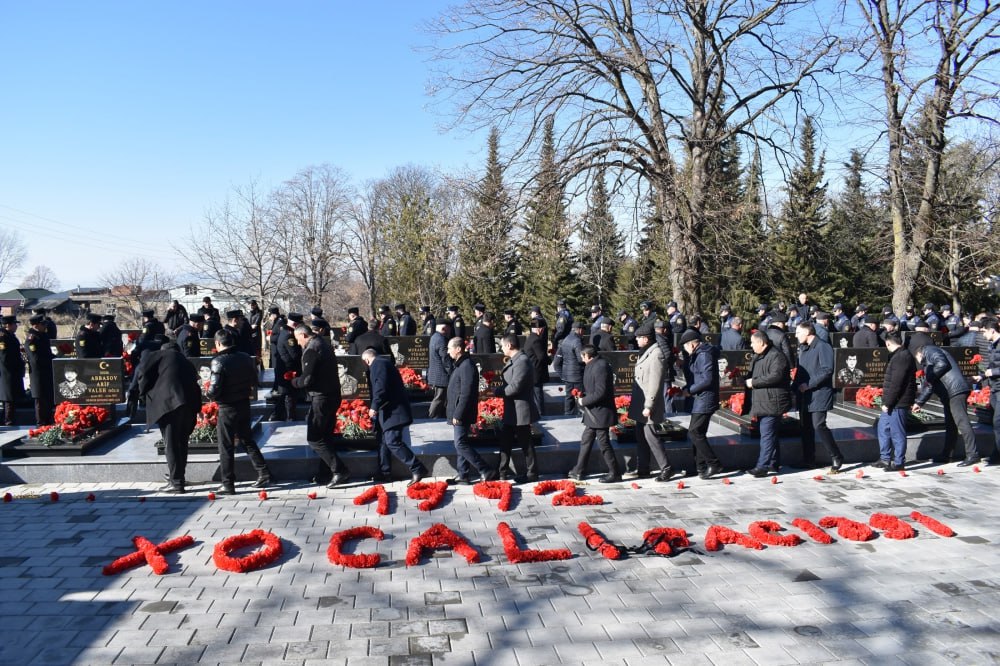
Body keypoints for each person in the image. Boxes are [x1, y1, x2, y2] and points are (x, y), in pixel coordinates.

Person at [129, 338, 200, 493]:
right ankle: (179, 477)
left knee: (171, 444)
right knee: (182, 442)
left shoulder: (158, 355)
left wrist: (139, 393)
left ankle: (176, 483)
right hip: (188, 406)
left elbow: (141, 371)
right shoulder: (186, 361)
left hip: (169, 406)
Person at [206, 329, 271, 494]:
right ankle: (263, 472)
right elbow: (254, 381)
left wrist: (206, 392)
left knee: (226, 445)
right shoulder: (244, 357)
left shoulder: (218, 361)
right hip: (244, 403)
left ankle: (228, 484)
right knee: (247, 440)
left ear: (218, 343)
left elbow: (214, 390)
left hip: (227, 407)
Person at [291, 325, 350, 487]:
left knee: (315, 438)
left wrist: (295, 382)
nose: (297, 343)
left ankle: (339, 470)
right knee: (325, 437)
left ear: (303, 335)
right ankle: (325, 473)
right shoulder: (323, 344)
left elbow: (307, 379)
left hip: (321, 398)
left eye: (298, 339)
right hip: (332, 395)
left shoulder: (312, 349)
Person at [362, 348, 428, 485]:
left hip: (394, 411)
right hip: (388, 411)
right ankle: (385, 473)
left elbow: (381, 388)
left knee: (392, 441)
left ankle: (417, 468)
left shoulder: (378, 364)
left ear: (367, 360)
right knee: (384, 441)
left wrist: (374, 407)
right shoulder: (382, 363)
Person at [913, 342, 978, 465]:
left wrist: (930, 376)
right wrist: (919, 402)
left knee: (962, 422)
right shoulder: (929, 363)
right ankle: (947, 454)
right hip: (950, 394)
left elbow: (943, 363)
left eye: (918, 359)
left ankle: (972, 454)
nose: (919, 363)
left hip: (955, 391)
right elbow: (930, 386)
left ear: (919, 354)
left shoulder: (929, 350)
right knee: (951, 425)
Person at [627, 323, 675, 481]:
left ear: (646, 339)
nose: (637, 340)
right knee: (641, 437)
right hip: (640, 401)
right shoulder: (645, 352)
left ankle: (666, 468)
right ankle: (643, 469)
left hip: (648, 403)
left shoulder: (656, 355)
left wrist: (649, 406)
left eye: (639, 338)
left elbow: (655, 383)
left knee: (651, 436)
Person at [446, 337, 496, 484]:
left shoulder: (467, 365)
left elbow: (466, 393)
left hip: (462, 412)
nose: (448, 352)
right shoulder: (461, 364)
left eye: (450, 348)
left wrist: (458, 413)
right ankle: (463, 474)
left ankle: (485, 469)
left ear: (458, 349)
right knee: (462, 442)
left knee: (460, 443)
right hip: (459, 411)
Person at [568, 345, 621, 483]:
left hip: (601, 412)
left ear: (587, 355)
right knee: (586, 439)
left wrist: (583, 400)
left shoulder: (601, 366)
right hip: (593, 412)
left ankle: (615, 473)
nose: (582, 360)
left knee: (603, 443)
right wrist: (582, 394)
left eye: (582, 357)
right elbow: (591, 387)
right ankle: (579, 470)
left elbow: (601, 392)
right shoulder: (592, 364)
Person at [794, 322, 843, 471]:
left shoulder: (823, 346)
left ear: (808, 333)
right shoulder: (803, 348)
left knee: (818, 425)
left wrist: (809, 384)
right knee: (805, 427)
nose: (795, 335)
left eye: (798, 332)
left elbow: (827, 370)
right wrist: (793, 388)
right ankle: (808, 459)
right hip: (805, 394)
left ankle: (836, 456)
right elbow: (800, 372)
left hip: (819, 393)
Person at [494, 334, 540, 482]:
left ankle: (532, 473)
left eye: (502, 345)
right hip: (512, 409)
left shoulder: (522, 361)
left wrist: (498, 392)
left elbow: (515, 387)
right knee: (505, 441)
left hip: (520, 409)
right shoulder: (516, 360)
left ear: (509, 345)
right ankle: (501, 472)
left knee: (525, 443)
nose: (501, 348)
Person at [745, 331, 791, 477]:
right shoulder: (758, 356)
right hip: (763, 401)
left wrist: (754, 382)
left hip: (772, 402)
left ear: (761, 343)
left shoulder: (777, 356)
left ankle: (762, 466)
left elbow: (776, 376)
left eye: (753, 342)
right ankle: (773, 463)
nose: (751, 345)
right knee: (770, 434)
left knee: (767, 434)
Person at [681, 330, 723, 479]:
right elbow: (694, 374)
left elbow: (706, 379)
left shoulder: (704, 354)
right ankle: (700, 466)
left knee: (694, 432)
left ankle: (714, 463)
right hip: (700, 398)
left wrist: (690, 391)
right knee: (698, 433)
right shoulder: (698, 353)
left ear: (692, 344)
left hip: (706, 398)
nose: (684, 350)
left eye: (685, 346)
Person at [873, 333, 917, 472]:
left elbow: (897, 383)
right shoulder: (899, 355)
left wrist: (888, 402)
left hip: (898, 402)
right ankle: (885, 458)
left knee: (897, 432)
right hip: (893, 401)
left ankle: (899, 462)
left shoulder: (902, 357)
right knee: (883, 427)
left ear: (888, 344)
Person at [973, 319, 1000, 463]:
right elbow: (991, 365)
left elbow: (995, 368)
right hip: (995, 388)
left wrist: (993, 372)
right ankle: (996, 454)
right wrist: (982, 376)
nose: (983, 336)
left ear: (992, 331)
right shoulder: (993, 345)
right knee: (995, 422)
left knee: (998, 422)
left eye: (984, 332)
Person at [271, 312, 303, 421]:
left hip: (286, 368)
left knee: (286, 394)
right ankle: (290, 417)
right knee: (289, 395)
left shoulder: (285, 331)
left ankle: (277, 415)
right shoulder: (289, 335)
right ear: (295, 324)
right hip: (288, 370)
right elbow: (295, 354)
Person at [25, 314, 54, 425]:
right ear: (36, 325)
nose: (45, 326)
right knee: (40, 400)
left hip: (47, 372)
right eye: (43, 324)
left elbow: (47, 353)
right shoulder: (31, 338)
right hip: (38, 373)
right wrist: (49, 360)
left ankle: (48, 421)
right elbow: (35, 358)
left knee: (48, 398)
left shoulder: (43, 336)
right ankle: (41, 422)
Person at [553, 320, 585, 415]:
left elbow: (557, 361)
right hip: (577, 375)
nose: (583, 333)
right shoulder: (577, 341)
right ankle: (581, 414)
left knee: (568, 397)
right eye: (583, 330)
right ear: (579, 330)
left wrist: (562, 375)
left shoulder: (566, 339)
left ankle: (567, 414)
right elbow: (580, 359)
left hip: (567, 376)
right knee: (580, 396)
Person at [0, 315, 25, 425]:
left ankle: (11, 419)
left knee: (13, 397)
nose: (16, 326)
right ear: (8, 325)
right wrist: (14, 367)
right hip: (8, 372)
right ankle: (8, 420)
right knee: (8, 397)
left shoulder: (11, 336)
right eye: (14, 324)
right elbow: (4, 357)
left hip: (14, 372)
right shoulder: (3, 337)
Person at [427, 321, 453, 419]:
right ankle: (431, 417)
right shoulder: (441, 340)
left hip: (436, 374)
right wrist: (451, 372)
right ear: (444, 328)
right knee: (439, 398)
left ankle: (438, 416)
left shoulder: (434, 337)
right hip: (441, 375)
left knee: (440, 398)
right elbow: (445, 358)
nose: (450, 331)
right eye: (449, 329)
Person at [524, 317, 550, 414]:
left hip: (531, 371)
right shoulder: (536, 340)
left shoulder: (530, 337)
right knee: (538, 395)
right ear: (540, 329)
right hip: (536, 372)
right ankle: (540, 413)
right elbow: (541, 356)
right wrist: (550, 360)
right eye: (542, 329)